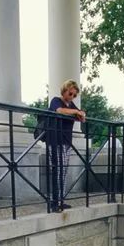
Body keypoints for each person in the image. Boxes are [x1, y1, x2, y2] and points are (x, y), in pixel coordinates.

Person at [47, 79, 86, 211]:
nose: (72, 97)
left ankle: (60, 200)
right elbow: (58, 110)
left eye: (74, 95)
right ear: (64, 91)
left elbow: (80, 115)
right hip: (56, 141)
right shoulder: (56, 100)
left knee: (63, 171)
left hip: (66, 141)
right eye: (70, 94)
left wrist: (81, 114)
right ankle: (55, 201)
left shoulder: (71, 105)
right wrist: (76, 112)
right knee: (57, 170)